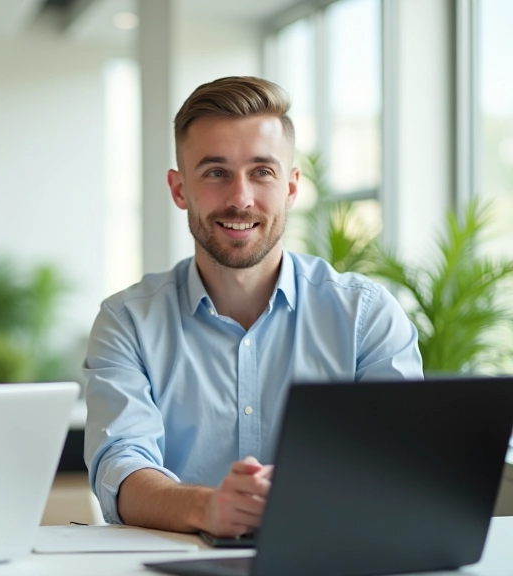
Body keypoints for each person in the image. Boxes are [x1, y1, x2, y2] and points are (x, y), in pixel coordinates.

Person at [83, 76, 423, 538]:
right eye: (216, 172)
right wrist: (208, 508)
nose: (240, 198)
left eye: (262, 171)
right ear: (180, 189)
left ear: (291, 186)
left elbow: (401, 461)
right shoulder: (128, 322)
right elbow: (120, 467)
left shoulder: (366, 316)